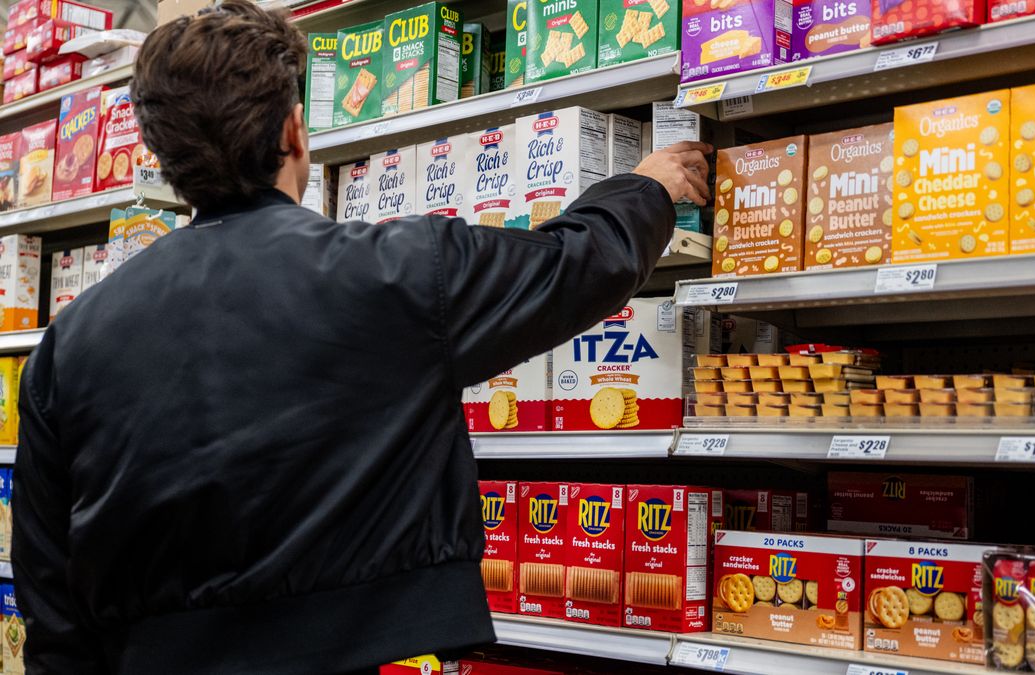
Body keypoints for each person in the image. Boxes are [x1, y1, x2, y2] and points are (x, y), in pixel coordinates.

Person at [11, 1, 709, 673]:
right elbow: (570, 267)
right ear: (293, 133)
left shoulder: (69, 344)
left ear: (165, 156)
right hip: (348, 647)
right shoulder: (395, 273)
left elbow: (49, 586)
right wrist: (645, 187)